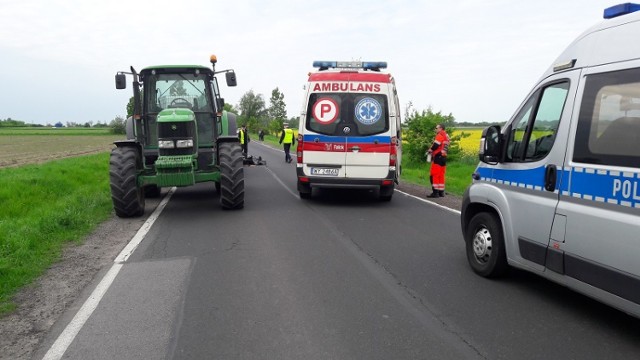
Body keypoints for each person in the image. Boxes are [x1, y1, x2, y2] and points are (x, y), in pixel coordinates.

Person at [426, 124, 450, 198]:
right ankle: (441, 192)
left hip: (438, 157)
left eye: (436, 128)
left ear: (441, 128)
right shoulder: (447, 135)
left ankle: (435, 193)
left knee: (434, 175)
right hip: (444, 157)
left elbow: (436, 145)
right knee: (441, 175)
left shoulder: (440, 135)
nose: (435, 129)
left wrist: (430, 150)